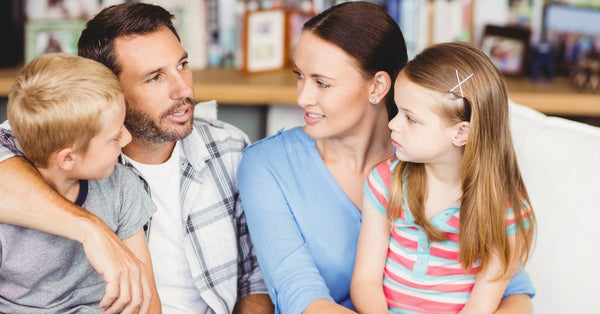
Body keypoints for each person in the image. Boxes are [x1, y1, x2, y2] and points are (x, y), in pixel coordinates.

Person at [237, 2, 535, 314]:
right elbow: (299, 294)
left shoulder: (431, 151)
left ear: (378, 85)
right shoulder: (265, 167)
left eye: (322, 83)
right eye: (300, 75)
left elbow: (512, 291)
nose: (302, 97)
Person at [0, 3, 272, 313]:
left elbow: (254, 278)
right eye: (155, 77)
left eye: (182, 64)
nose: (183, 88)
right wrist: (91, 229)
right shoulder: (58, 133)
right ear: (106, 87)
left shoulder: (230, 148)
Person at [350, 41, 536, 314]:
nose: (393, 124)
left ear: (461, 133)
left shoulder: (507, 213)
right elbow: (366, 280)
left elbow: (481, 306)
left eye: (410, 119)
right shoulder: (384, 182)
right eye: (397, 111)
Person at [1, 53, 160, 313]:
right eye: (114, 136)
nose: (128, 138)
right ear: (68, 158)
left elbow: (147, 299)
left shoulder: (121, 188)